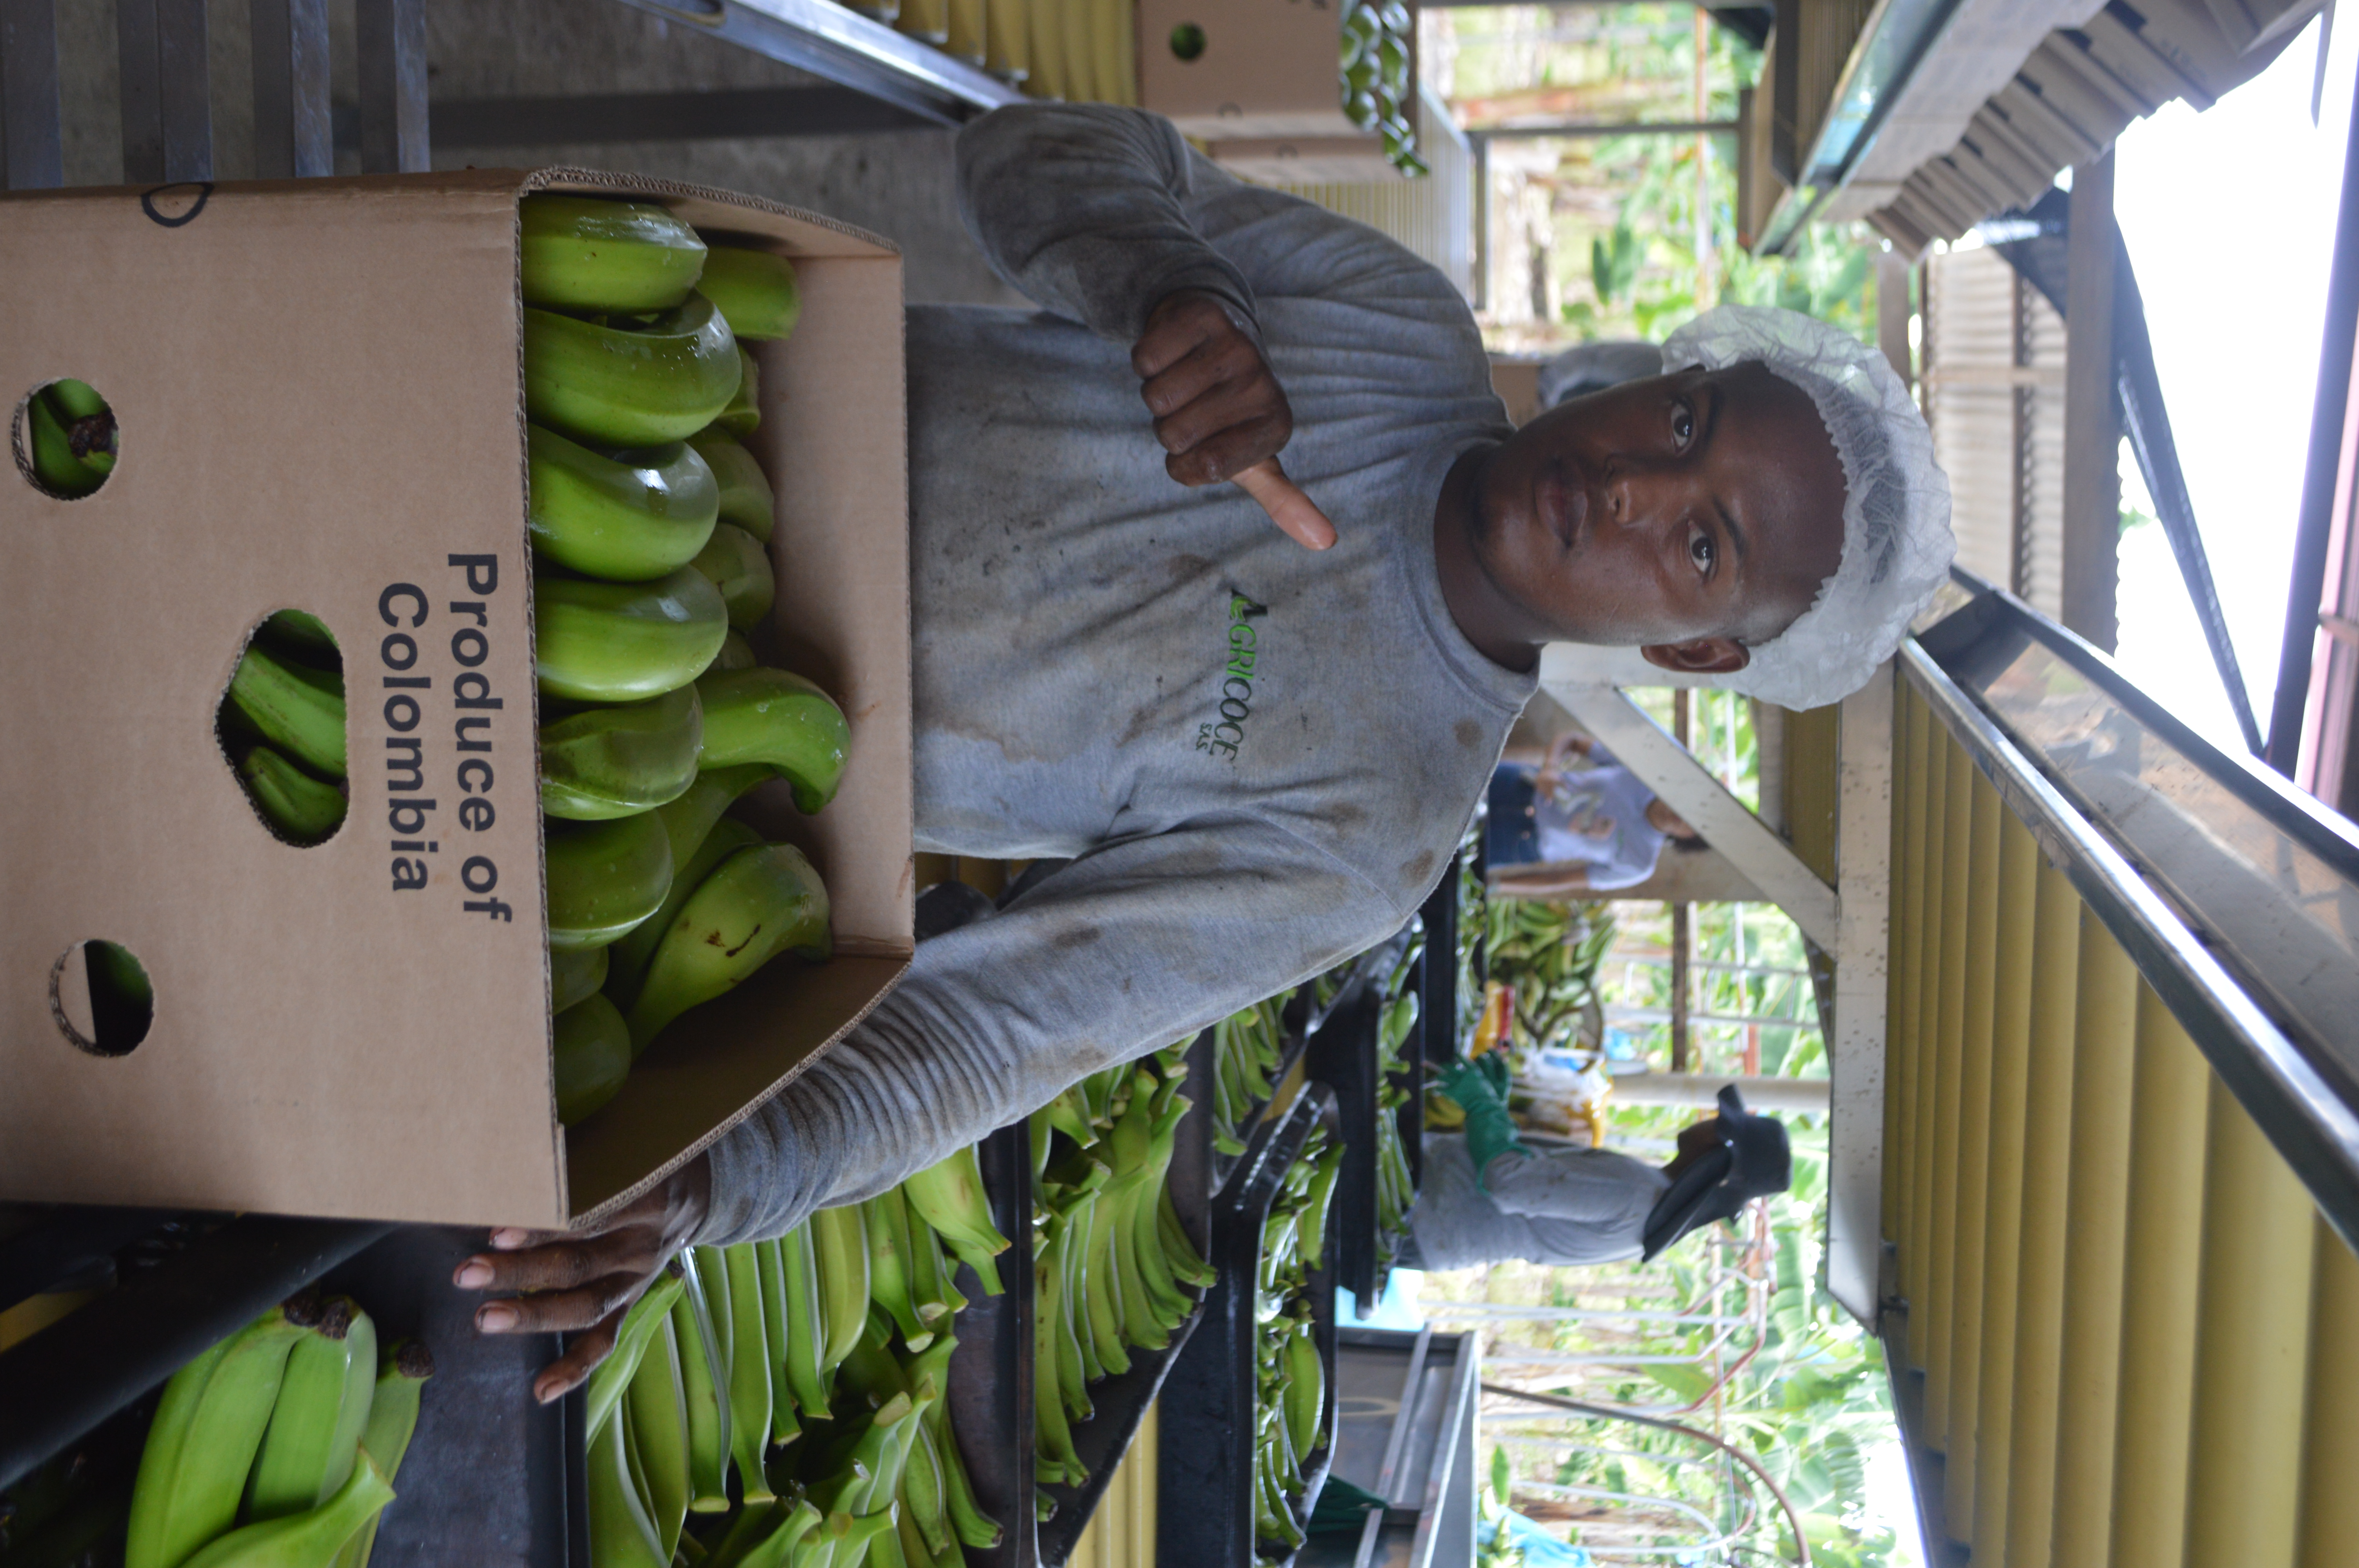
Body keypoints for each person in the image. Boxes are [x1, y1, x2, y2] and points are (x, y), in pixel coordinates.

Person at [457, 103, 1953, 1401]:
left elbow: (1005, 1024)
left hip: (599, 739)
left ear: (1694, 652)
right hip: (605, 408)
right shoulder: (1393, 322)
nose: (1628, 480)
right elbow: (1026, 155)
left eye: (1699, 542)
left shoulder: (1373, 830)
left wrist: (717, 1181)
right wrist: (1166, 282)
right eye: (1681, 417)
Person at [1405, 1059, 1789, 1271]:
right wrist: (1497, 1117)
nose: (1706, 1119)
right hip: (1433, 1217)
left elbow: (1508, 1183)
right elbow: (1533, 1178)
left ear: (1715, 1145)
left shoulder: (1635, 1193)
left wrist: (1481, 1107)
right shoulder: (1650, 1201)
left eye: (1717, 1121)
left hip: (1422, 1210)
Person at [1485, 731, 1702, 897]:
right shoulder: (1642, 772)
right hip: (1520, 785)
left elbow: (1559, 880)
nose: (1683, 819)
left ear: (1688, 839)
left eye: (1694, 827)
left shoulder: (1640, 863)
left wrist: (1496, 885)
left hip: (1519, 843)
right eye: (1692, 811)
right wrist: (1550, 767)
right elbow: (1572, 740)